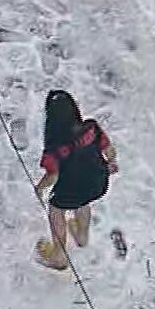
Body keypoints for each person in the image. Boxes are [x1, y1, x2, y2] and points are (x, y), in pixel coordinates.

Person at [32, 90, 117, 272]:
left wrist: (39, 188)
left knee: (56, 210)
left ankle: (59, 257)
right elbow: (110, 151)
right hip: (97, 183)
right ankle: (81, 236)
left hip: (70, 191)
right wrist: (111, 163)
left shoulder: (54, 149)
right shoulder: (91, 129)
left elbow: (52, 176)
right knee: (83, 203)